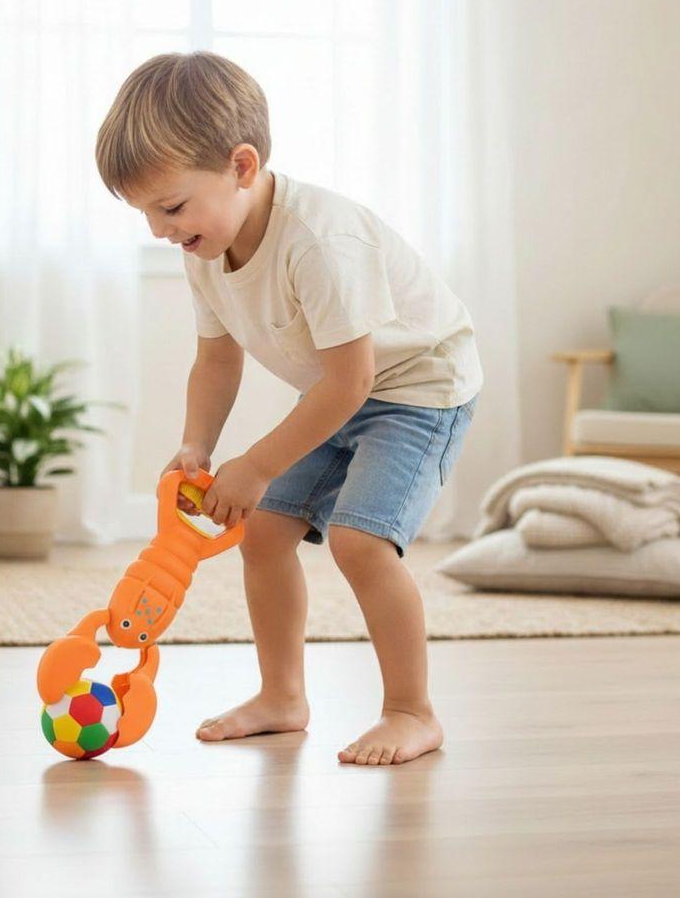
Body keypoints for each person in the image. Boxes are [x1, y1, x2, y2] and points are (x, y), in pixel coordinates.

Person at [95, 52, 482, 766]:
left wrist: (256, 465)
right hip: (342, 387)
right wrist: (197, 445)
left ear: (242, 166)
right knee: (265, 533)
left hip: (419, 386)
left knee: (360, 542)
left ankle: (411, 711)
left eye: (171, 207)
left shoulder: (320, 242)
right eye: (144, 211)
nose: (158, 229)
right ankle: (282, 697)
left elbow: (353, 380)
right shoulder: (204, 249)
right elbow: (218, 360)